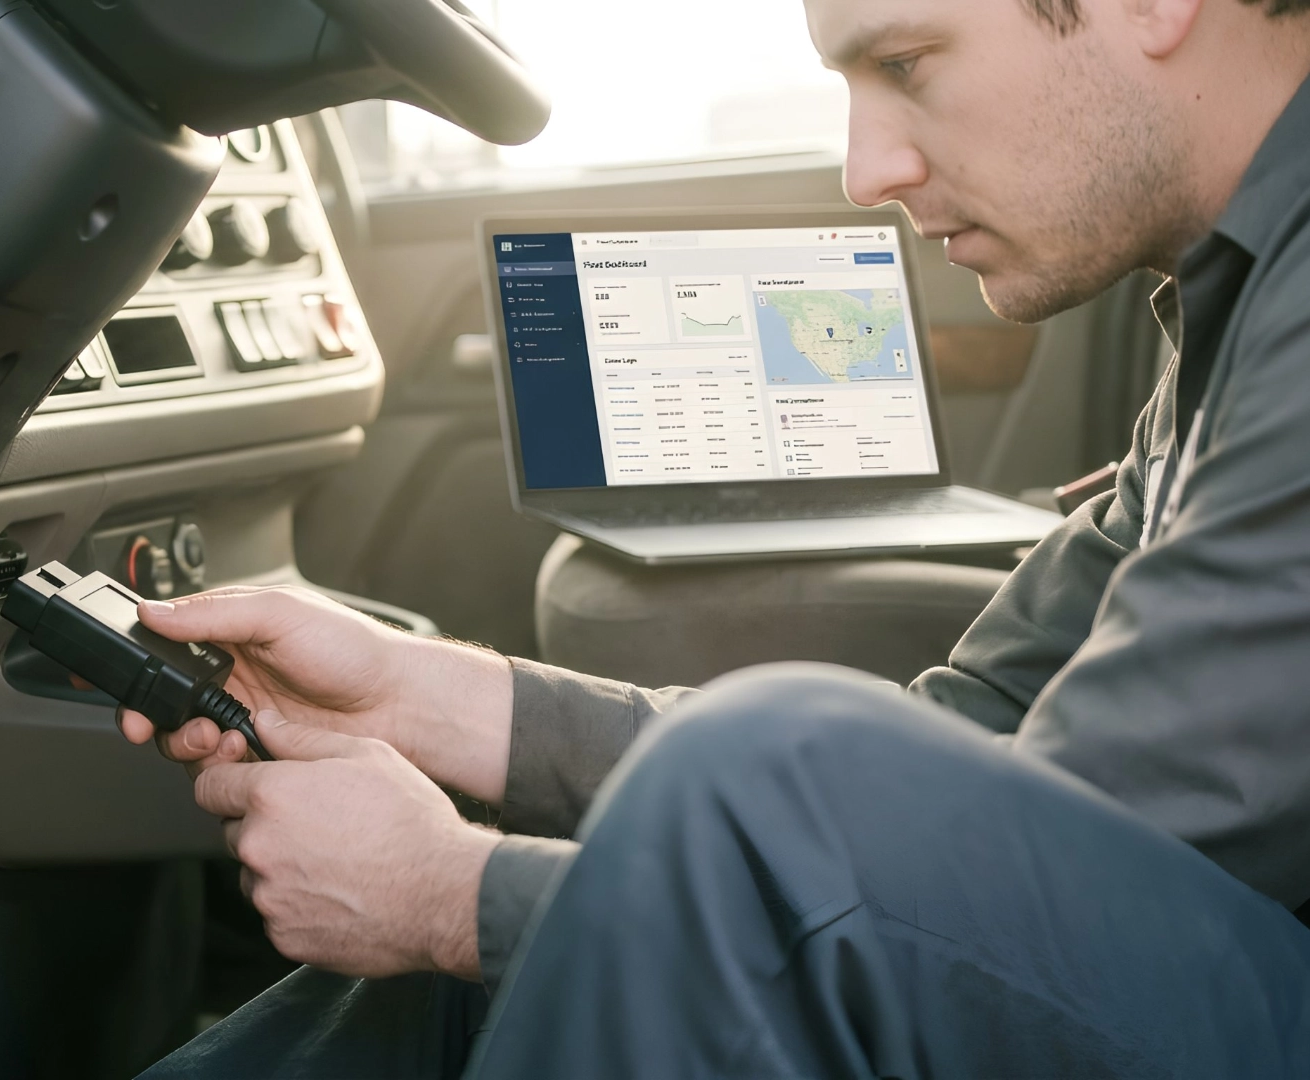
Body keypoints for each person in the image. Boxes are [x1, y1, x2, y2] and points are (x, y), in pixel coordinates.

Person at [131, 0, 1310, 1075]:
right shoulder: (1239, 305)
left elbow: (1041, 917)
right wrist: (429, 699)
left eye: (905, 63)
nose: (865, 172)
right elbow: (981, 743)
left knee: (727, 784)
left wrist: (454, 893)